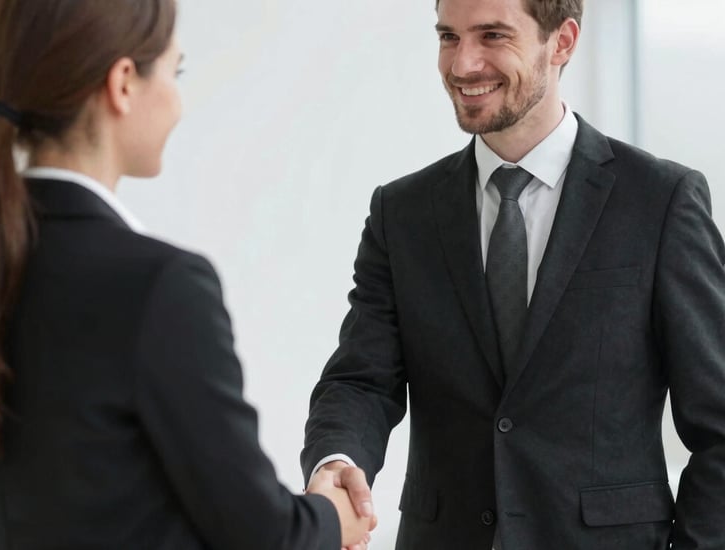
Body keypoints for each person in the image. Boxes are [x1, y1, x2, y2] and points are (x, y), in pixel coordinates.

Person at [301, 0, 725, 548]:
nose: (462, 64)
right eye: (449, 37)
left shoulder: (660, 202)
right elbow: (361, 380)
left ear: (563, 42)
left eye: (492, 36)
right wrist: (337, 460)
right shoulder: (402, 211)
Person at [0, 1, 375, 549]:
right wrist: (334, 517)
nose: (178, 103)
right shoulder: (159, 286)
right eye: (174, 73)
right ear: (124, 83)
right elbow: (264, 536)